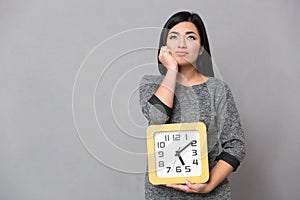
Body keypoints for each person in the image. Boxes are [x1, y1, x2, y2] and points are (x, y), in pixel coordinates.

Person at [139, 11, 246, 199]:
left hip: (211, 194)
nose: (181, 44)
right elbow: (157, 117)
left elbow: (236, 145)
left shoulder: (217, 89)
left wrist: (209, 185)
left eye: (190, 37)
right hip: (162, 194)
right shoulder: (150, 84)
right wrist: (172, 70)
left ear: (202, 47)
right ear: (164, 46)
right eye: (174, 37)